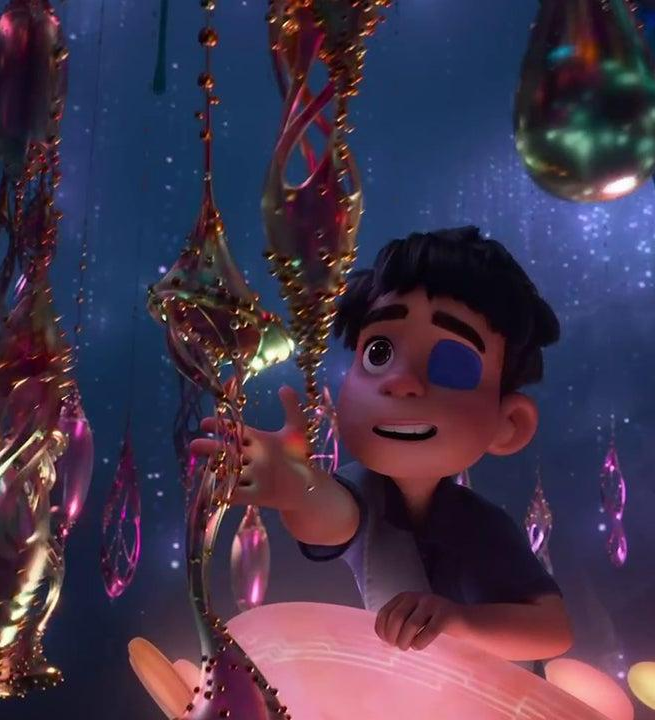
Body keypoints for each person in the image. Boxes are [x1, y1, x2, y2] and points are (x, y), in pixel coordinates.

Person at [190, 226, 572, 662]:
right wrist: (300, 488)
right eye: (379, 353)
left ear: (509, 424)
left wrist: (458, 622)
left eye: (452, 363)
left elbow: (553, 630)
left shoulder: (483, 526)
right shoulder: (363, 493)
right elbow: (335, 516)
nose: (402, 381)